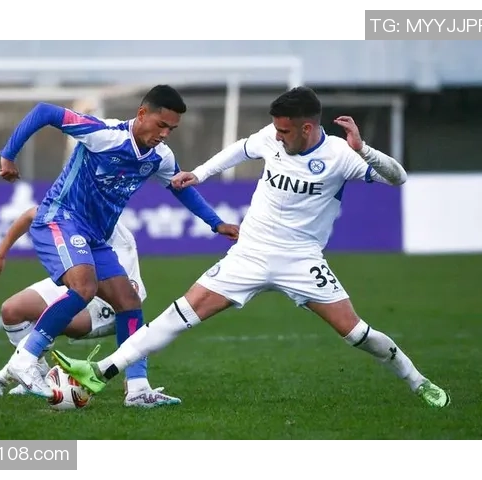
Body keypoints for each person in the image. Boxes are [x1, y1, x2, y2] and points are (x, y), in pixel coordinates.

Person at [52, 86, 451, 409]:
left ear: (307, 128)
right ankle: (99, 373)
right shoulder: (271, 137)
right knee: (179, 314)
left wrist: (363, 149)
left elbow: (397, 178)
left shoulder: (340, 156)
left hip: (301, 260)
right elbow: (240, 149)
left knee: (356, 333)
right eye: (275, 129)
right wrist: (200, 174)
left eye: (285, 131)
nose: (276, 136)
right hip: (250, 253)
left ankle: (419, 381)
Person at [0, 85, 239, 398]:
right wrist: (8, 155)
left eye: (172, 129)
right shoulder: (103, 134)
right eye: (161, 125)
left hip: (95, 236)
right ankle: (25, 359)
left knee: (129, 303)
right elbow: (45, 111)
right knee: (83, 288)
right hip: (60, 218)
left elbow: (181, 188)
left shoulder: (160, 157)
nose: (165, 134)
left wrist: (216, 223)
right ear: (142, 113)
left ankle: (137, 388)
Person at [0, 206, 184, 408]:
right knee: (11, 310)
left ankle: (8, 373)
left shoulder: (119, 241)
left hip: (106, 307)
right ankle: (37, 371)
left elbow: (129, 300)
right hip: (79, 284)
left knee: (61, 318)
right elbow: (30, 215)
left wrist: (134, 370)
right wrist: (0, 253)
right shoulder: (69, 207)